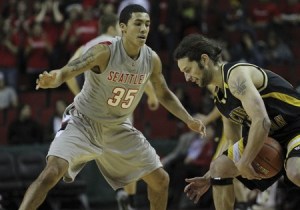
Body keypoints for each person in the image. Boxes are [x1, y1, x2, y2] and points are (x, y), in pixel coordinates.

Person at [19, 5, 205, 210]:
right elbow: (69, 69)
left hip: (117, 126)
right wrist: (55, 78)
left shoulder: (151, 59)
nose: (144, 29)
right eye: (138, 23)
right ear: (122, 27)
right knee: (51, 173)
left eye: (147, 24)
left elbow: (164, 94)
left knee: (161, 180)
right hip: (83, 121)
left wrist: (188, 119)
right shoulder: (104, 50)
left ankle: (128, 199)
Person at [173, 33, 300, 210]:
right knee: (219, 167)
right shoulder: (220, 98)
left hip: (295, 126)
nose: (187, 78)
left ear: (204, 59)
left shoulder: (236, 75)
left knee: (296, 172)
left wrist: (245, 161)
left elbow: (262, 120)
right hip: (271, 137)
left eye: (188, 70)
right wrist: (211, 176)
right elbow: (233, 143)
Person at [66, 12, 158, 210]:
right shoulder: (120, 44)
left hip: (93, 114)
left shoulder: (87, 46)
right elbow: (141, 76)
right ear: (113, 28)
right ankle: (129, 199)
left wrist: (79, 95)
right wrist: (152, 96)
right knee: (131, 160)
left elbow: (67, 74)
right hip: (119, 114)